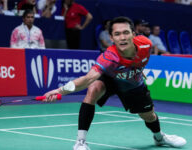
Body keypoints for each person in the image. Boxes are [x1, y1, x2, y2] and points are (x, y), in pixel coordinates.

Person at [43, 16, 186, 150]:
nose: (122, 37)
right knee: (94, 88)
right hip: (110, 79)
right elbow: (87, 79)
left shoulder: (146, 45)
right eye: (117, 34)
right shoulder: (109, 57)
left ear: (133, 34)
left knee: (148, 115)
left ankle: (160, 137)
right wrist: (59, 91)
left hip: (133, 84)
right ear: (111, 38)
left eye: (126, 32)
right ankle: (80, 142)